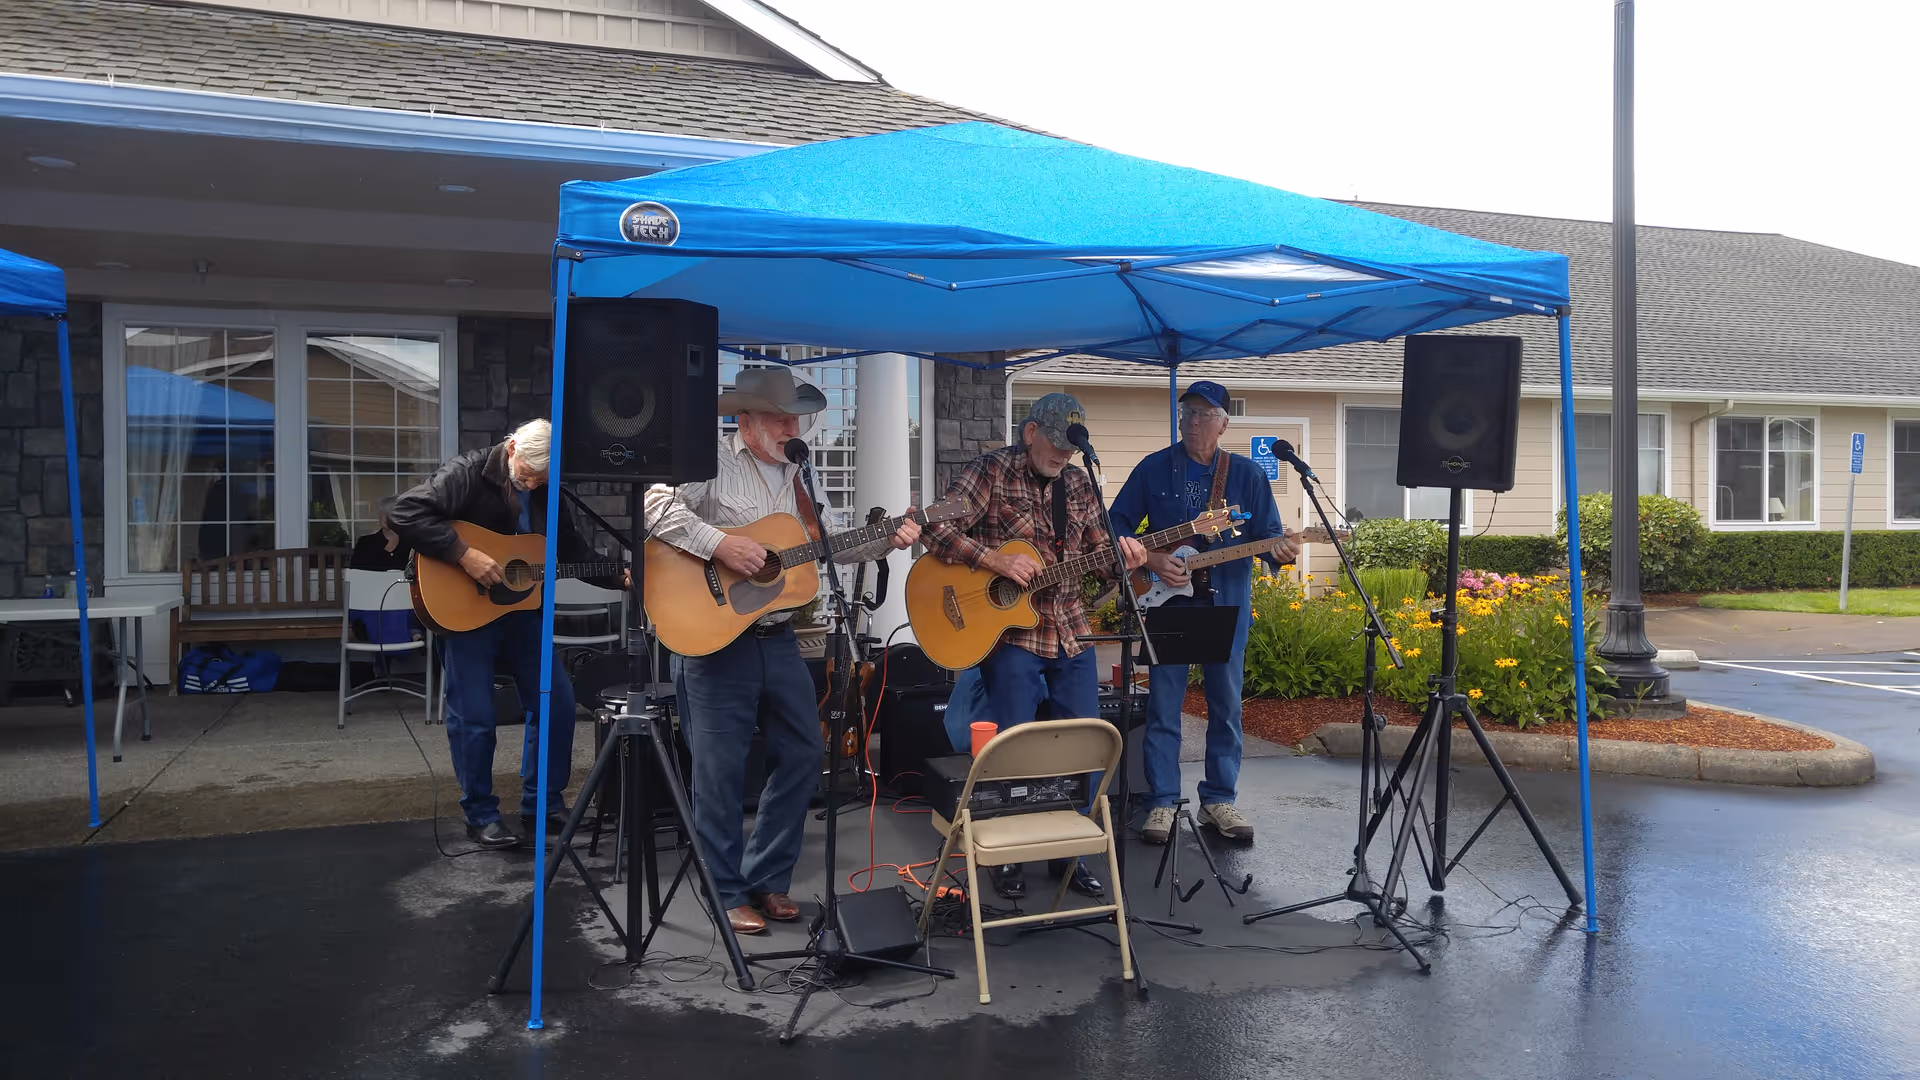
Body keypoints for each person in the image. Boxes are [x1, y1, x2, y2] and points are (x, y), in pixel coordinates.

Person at [644, 367, 920, 936]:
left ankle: (768, 877)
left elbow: (825, 549)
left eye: (796, 417)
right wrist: (721, 543)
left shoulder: (801, 477)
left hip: (776, 637)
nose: (793, 427)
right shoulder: (710, 461)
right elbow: (652, 508)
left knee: (802, 754)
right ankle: (723, 890)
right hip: (713, 640)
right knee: (719, 771)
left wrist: (886, 538)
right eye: (779, 417)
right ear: (744, 421)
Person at [921, 392, 1148, 900]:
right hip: (1012, 635)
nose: (1061, 455)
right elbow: (934, 526)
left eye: (1070, 448)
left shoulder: (1079, 484)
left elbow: (1096, 554)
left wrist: (1126, 558)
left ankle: (1071, 853)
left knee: (1082, 744)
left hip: (1069, 629)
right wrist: (995, 562)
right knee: (1012, 746)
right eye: (1053, 443)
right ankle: (1006, 853)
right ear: (1029, 432)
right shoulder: (991, 471)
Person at [388, 419, 624, 851]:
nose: (533, 482)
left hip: (521, 610)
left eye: (543, 478)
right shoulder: (466, 472)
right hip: (460, 606)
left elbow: (571, 550)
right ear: (512, 447)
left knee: (557, 702)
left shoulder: (547, 487)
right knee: (474, 715)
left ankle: (544, 806)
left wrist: (620, 575)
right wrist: (463, 555)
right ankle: (480, 814)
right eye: (530, 472)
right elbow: (404, 512)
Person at [1109, 381, 1297, 846]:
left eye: (1204, 415)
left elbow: (1271, 539)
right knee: (1163, 709)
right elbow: (1116, 525)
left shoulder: (1248, 476)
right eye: (1187, 413)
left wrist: (1285, 550)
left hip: (1226, 605)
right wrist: (1152, 561)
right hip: (1167, 604)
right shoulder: (1154, 469)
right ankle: (1162, 802)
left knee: (1226, 708)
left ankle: (1219, 799)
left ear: (1223, 423)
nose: (1194, 423)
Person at [350, 496, 413, 571]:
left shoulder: (412, 544)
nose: (385, 517)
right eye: (382, 512)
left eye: (390, 512)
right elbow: (355, 574)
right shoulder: (365, 543)